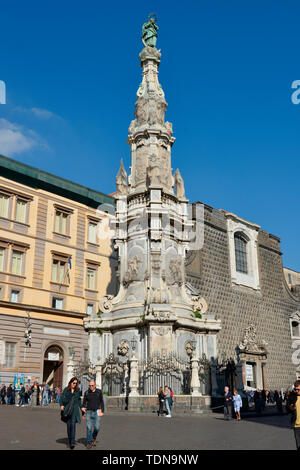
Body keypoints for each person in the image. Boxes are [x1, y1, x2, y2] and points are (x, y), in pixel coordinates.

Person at [60, 377, 83, 450]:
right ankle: (70, 440)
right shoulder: (66, 390)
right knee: (69, 426)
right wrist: (62, 405)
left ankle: (72, 442)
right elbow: (61, 399)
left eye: (76, 383)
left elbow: (79, 400)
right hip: (67, 410)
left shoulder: (77, 390)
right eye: (74, 383)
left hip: (74, 411)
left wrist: (81, 407)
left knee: (73, 425)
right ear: (70, 382)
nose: (75, 384)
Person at [82, 380, 104, 449]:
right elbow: (84, 404)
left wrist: (102, 410)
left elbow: (102, 402)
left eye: (92, 385)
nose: (91, 387)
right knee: (89, 428)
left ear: (95, 385)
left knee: (97, 427)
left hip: (97, 411)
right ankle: (89, 442)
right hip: (88, 412)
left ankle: (94, 437)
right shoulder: (86, 393)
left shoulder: (99, 392)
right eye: (89, 385)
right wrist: (83, 413)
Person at [287, 379, 300, 450]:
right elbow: (287, 408)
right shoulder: (292, 396)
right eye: (296, 389)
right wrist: (290, 408)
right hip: (297, 426)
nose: (297, 391)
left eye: (298, 389)